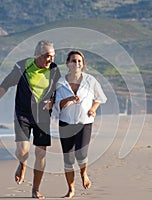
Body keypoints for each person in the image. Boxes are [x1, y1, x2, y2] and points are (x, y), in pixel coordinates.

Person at [0, 40, 61, 199]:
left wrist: (53, 102)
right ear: (37, 55)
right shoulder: (22, 67)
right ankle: (22, 163)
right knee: (23, 151)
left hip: (42, 116)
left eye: (53, 56)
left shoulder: (54, 70)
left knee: (41, 154)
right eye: (47, 56)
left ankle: (35, 190)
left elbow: (58, 90)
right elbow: (6, 84)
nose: (51, 60)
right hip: (23, 115)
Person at [54, 50, 107, 198]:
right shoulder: (60, 82)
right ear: (67, 63)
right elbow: (58, 105)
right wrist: (69, 98)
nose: (76, 63)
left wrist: (93, 109)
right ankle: (70, 189)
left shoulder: (90, 80)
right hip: (65, 123)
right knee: (68, 159)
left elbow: (101, 98)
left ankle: (84, 174)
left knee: (81, 154)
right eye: (73, 60)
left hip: (85, 123)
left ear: (83, 64)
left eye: (79, 61)